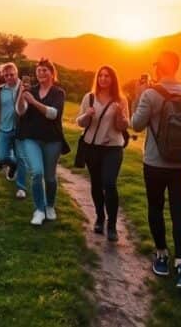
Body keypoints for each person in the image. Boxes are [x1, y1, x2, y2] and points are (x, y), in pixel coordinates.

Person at [131, 52, 181, 289]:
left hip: (155, 163)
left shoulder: (150, 94)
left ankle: (161, 255)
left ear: (158, 68)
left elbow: (136, 125)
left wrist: (138, 96)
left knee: (155, 207)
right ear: (177, 67)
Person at [76, 65, 129, 241]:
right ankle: (100, 217)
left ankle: (112, 225)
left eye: (107, 76)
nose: (103, 79)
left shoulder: (121, 100)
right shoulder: (89, 98)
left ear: (113, 79)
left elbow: (123, 127)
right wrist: (87, 115)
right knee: (96, 184)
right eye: (101, 76)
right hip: (92, 147)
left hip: (113, 148)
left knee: (110, 183)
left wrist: (120, 116)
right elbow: (80, 123)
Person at [16, 59, 67, 226]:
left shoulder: (58, 93)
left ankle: (50, 205)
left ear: (52, 73)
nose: (41, 73)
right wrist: (20, 95)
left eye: (44, 70)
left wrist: (34, 102)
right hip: (31, 138)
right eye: (38, 71)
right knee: (37, 173)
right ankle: (39, 209)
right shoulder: (31, 90)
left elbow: (53, 114)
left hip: (52, 140)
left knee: (50, 177)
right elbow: (21, 111)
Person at [0, 62, 27, 198]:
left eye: (12, 75)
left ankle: (21, 188)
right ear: (3, 76)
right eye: (6, 75)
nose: (9, 77)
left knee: (21, 158)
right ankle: (13, 165)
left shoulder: (24, 88)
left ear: (16, 74)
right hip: (3, 127)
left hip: (20, 129)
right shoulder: (0, 89)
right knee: (2, 157)